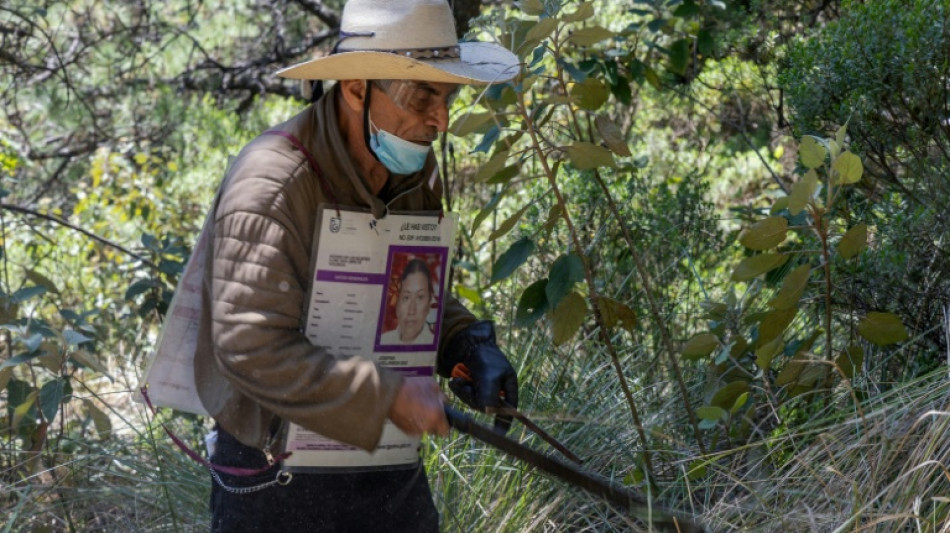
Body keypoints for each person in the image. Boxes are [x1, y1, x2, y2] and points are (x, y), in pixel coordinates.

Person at [191, 0, 521, 531]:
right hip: (274, 477)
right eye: (422, 97)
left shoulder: (412, 166)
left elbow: (406, 289)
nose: (439, 120)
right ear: (355, 88)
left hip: (385, 465)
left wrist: (466, 345)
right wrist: (387, 395)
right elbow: (248, 345)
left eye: (448, 97)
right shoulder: (273, 183)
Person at [380, 258, 437, 346]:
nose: (411, 311)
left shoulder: (436, 345)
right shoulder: (383, 341)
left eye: (420, 297)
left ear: (429, 303)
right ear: (397, 304)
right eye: (406, 297)